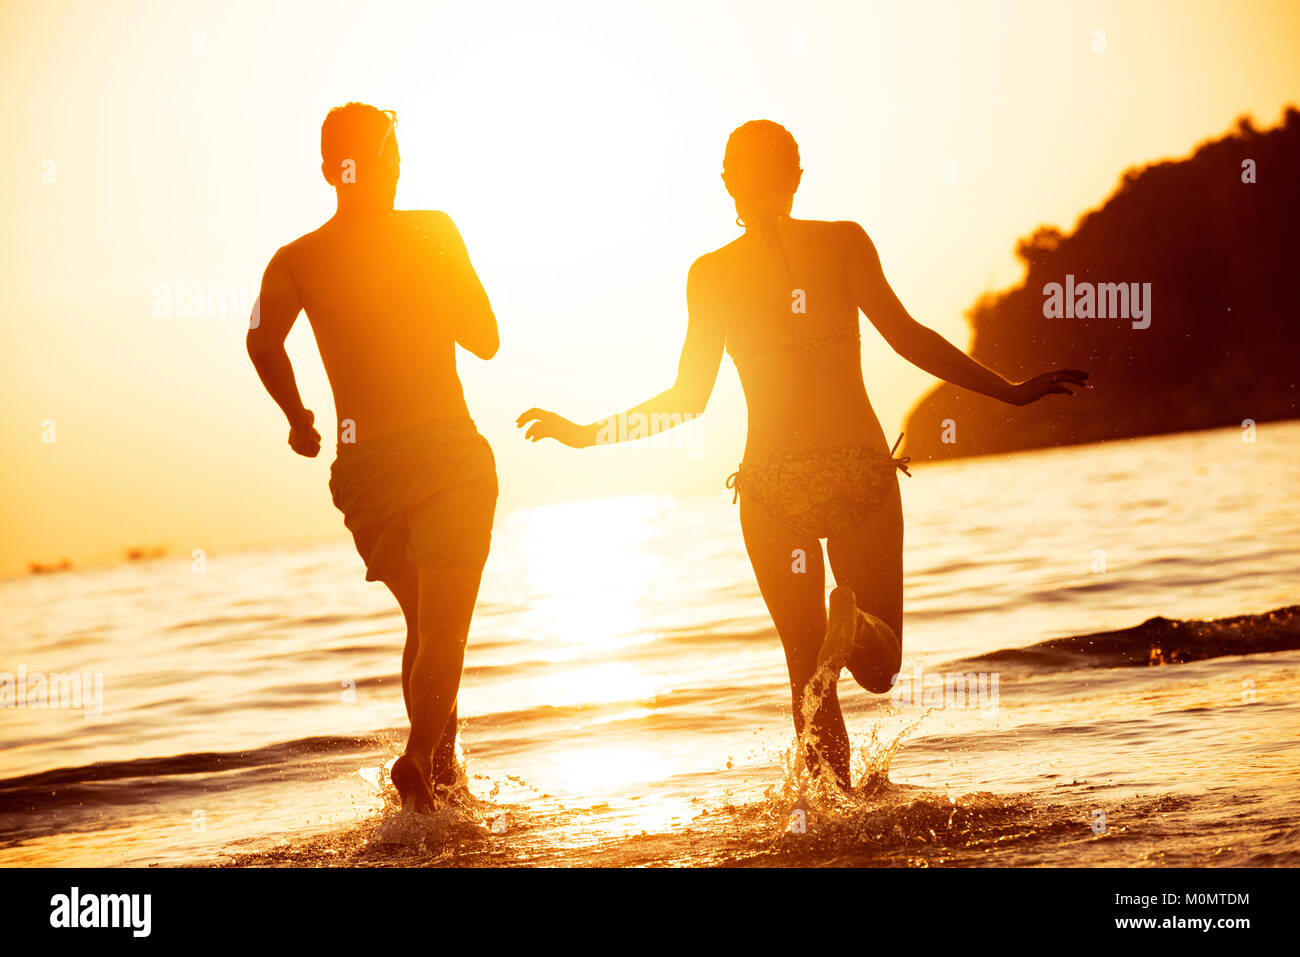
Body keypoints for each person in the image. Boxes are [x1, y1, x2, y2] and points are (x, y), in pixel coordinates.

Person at [516, 120, 1087, 786]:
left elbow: (687, 399)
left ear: (727, 181)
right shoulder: (843, 242)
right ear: (796, 176)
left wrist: (586, 433)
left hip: (769, 481)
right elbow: (908, 338)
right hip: (857, 466)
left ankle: (826, 818)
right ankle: (857, 627)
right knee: (881, 670)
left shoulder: (710, 274)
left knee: (807, 673)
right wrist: (1008, 392)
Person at [247, 103, 500, 813]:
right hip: (447, 454)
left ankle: (440, 788)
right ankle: (418, 757)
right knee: (445, 630)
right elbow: (485, 339)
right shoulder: (433, 231)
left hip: (365, 471)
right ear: (382, 162)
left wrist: (298, 418)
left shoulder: (295, 259)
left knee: (425, 627)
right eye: (393, 151)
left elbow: (261, 341)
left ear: (331, 170)